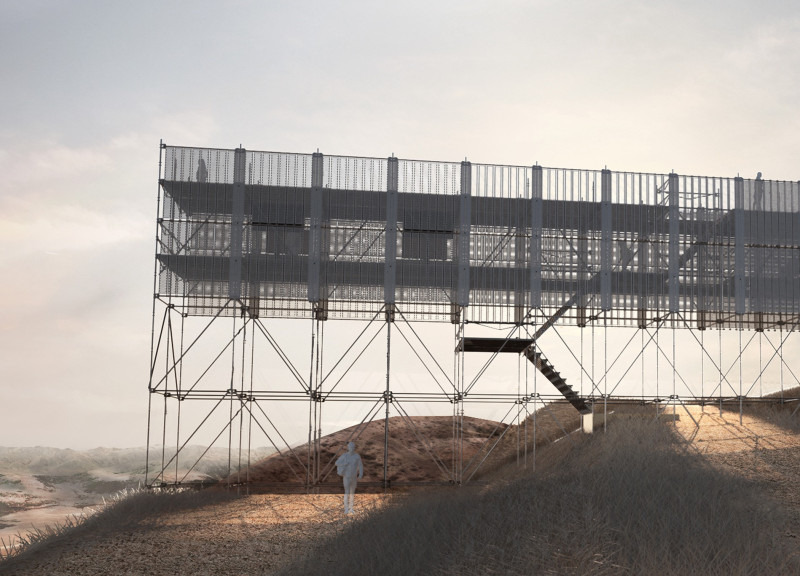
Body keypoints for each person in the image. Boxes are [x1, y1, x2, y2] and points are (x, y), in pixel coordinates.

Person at [335, 441, 364, 514]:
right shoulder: (344, 456)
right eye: (350, 447)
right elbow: (336, 463)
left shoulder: (357, 456)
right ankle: (346, 509)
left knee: (352, 493)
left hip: (354, 477)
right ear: (348, 448)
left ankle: (351, 508)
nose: (351, 449)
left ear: (354, 448)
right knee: (347, 492)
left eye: (353, 447)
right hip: (347, 477)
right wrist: (344, 463)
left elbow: (360, 465)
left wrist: (360, 474)